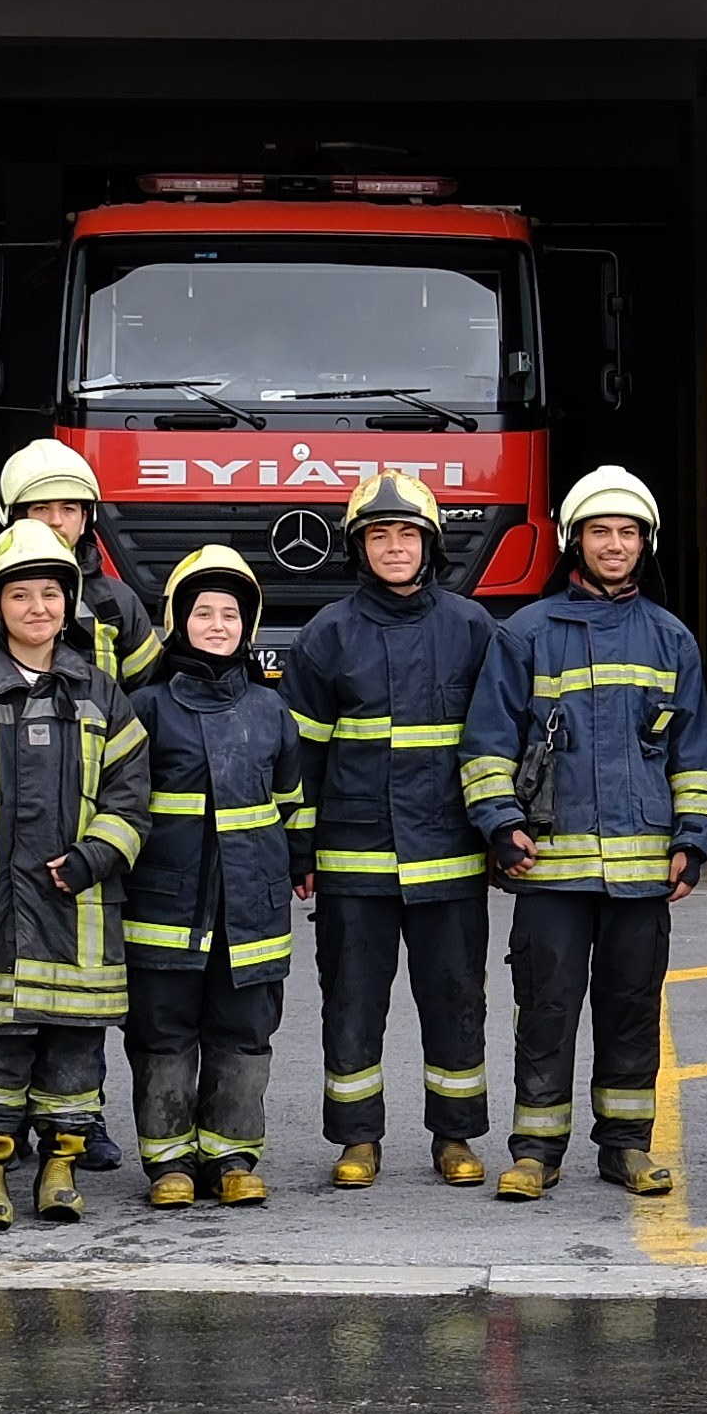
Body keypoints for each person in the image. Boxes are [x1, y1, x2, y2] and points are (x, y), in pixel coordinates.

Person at [465, 465, 707, 1203]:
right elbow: (486, 743)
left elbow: (696, 752)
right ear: (576, 541)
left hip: (642, 872)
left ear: (646, 543)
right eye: (601, 532)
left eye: (628, 532)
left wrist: (692, 838)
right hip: (548, 870)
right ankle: (535, 1152)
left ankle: (626, 1148)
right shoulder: (526, 633)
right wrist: (502, 824)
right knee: (544, 1007)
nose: (615, 544)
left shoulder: (671, 638)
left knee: (632, 1007)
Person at [0, 522, 147, 1230]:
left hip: (76, 909)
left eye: (51, 593)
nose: (38, 607)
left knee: (74, 1054)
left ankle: (59, 1169)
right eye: (21, 594)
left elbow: (132, 796)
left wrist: (93, 857)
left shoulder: (102, 694)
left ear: (68, 603)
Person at [282, 467, 502, 1189]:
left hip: (449, 857)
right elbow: (300, 754)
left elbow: (496, 739)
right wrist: (300, 847)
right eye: (380, 534)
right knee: (351, 1004)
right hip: (354, 859)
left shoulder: (471, 627)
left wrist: (499, 831)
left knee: (455, 1002)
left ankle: (456, 1137)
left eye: (408, 533)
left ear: (430, 543)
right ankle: (357, 1141)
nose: (396, 546)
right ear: (359, 547)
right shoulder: (328, 635)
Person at [122, 546, 298, 1208]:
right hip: (164, 907)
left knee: (244, 1032)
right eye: (203, 612)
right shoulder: (146, 707)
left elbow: (292, 803)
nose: (218, 624)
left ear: (247, 627)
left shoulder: (269, 712)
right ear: (178, 622)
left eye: (231, 613)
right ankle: (168, 1163)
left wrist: (299, 865)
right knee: (162, 1033)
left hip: (250, 910)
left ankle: (232, 1157)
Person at [0, 439, 155, 676]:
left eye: (69, 509)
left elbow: (144, 696)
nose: (56, 520)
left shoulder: (119, 602)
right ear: (15, 518)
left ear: (85, 520)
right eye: (41, 508)